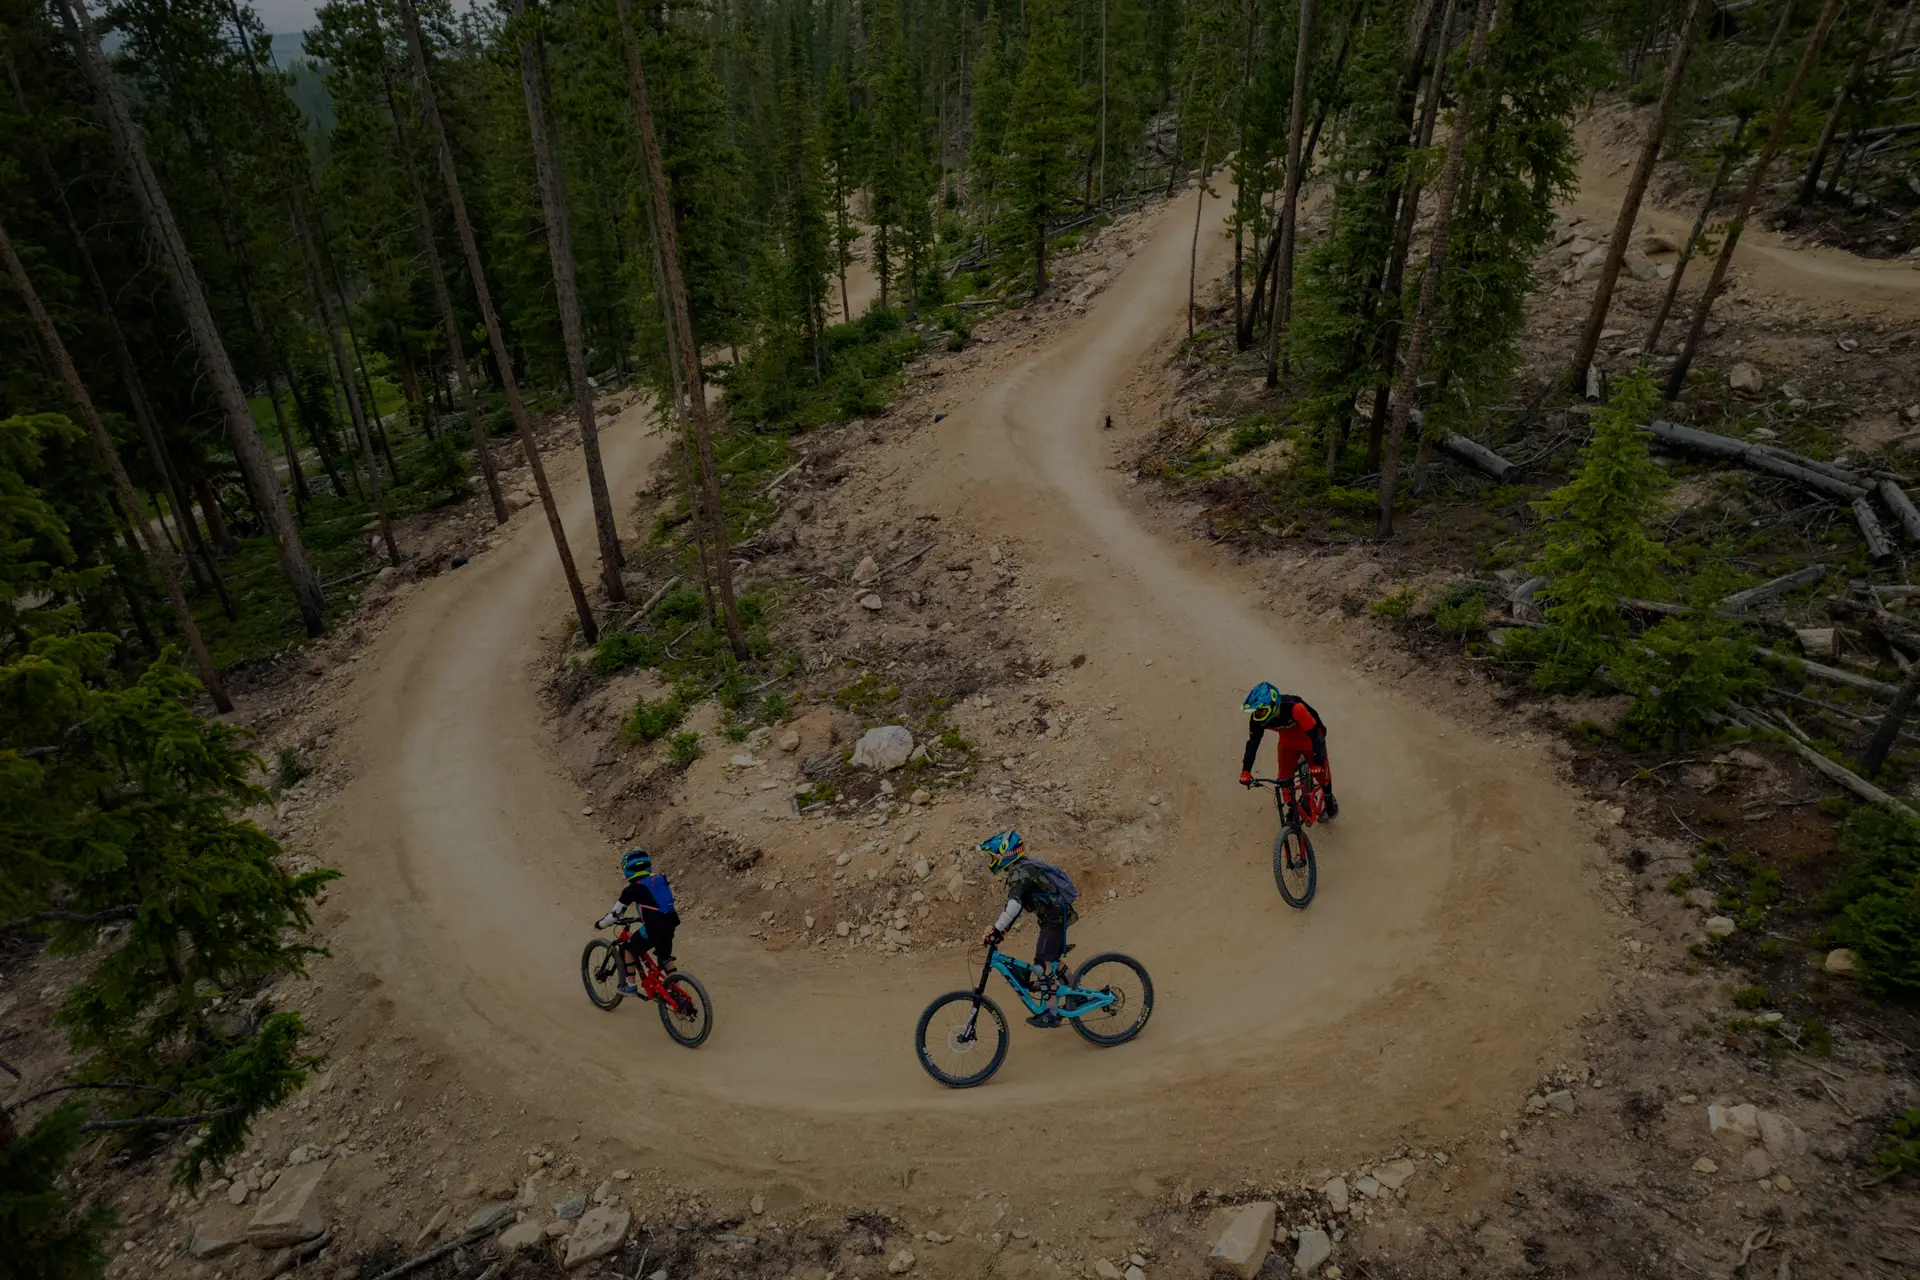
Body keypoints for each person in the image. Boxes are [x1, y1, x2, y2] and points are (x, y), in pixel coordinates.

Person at [977, 831, 1079, 1029]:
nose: (991, 860)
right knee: (1051, 961)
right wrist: (1003, 931)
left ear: (1004, 854)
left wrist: (996, 931)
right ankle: (1076, 992)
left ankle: (1052, 1013)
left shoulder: (1020, 873)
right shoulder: (1022, 869)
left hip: (1054, 919)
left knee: (1042, 964)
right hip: (1054, 917)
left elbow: (1014, 906)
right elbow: (1019, 906)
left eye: (993, 855)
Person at [1237, 681, 1339, 820]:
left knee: (1322, 776)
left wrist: (1318, 763)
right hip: (1287, 744)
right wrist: (1246, 770)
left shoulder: (1296, 708)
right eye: (1256, 711)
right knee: (1283, 781)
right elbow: (1253, 743)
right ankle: (1293, 809)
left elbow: (1317, 736)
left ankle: (1328, 799)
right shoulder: (1257, 719)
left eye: (1261, 710)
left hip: (1309, 742)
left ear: (1272, 706)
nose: (1258, 715)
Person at [595, 849, 679, 996]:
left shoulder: (632, 889)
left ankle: (631, 986)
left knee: (628, 949)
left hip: (654, 927)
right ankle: (677, 989)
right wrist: (644, 916)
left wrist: (601, 924)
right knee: (665, 957)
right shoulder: (659, 879)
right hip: (670, 924)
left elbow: (616, 914)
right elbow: (657, 902)